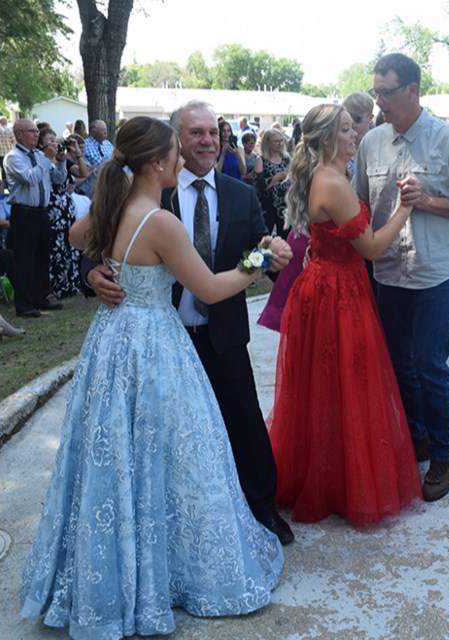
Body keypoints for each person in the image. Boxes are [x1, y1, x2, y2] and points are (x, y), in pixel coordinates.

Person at [21, 116, 284, 639]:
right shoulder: (160, 221)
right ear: (158, 163)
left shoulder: (114, 203)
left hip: (111, 341)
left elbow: (79, 235)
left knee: (119, 454)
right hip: (153, 343)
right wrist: (260, 261)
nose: (182, 161)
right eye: (175, 153)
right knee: (171, 451)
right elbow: (209, 288)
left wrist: (103, 264)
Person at [84, 100, 296, 546]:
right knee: (167, 439)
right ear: (172, 143)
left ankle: (262, 508)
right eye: (195, 133)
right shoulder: (149, 198)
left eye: (212, 133)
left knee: (243, 422)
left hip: (222, 335)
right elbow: (95, 239)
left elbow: (259, 246)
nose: (206, 141)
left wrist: (269, 251)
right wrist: (93, 273)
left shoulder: (240, 194)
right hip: (166, 339)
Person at [268, 105, 422, 528]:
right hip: (336, 292)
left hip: (329, 286)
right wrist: (406, 209)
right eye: (346, 129)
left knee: (330, 386)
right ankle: (337, 484)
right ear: (325, 138)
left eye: (355, 127)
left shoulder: (330, 176)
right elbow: (371, 248)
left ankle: (332, 476)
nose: (356, 134)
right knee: (346, 383)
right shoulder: (333, 182)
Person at [353, 53, 449, 502]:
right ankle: (418, 436)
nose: (379, 101)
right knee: (397, 364)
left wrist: (429, 202)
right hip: (388, 274)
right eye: (375, 92)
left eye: (385, 92)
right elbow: (357, 209)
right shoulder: (370, 143)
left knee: (430, 365)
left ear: (411, 90)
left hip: (435, 275)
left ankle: (444, 454)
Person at [4, 119, 68, 317]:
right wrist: (47, 159)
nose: (36, 135)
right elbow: (30, 178)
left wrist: (62, 161)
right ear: (19, 134)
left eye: (36, 131)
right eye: (31, 131)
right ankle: (24, 305)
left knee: (42, 256)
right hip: (24, 213)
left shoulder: (40, 155)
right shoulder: (13, 157)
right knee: (25, 259)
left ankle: (41, 297)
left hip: (42, 212)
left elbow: (57, 179)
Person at [44, 130, 82, 298]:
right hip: (52, 209)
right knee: (56, 248)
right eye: (50, 139)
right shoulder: (40, 159)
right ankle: (56, 286)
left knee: (68, 245)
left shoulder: (60, 161)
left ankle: (70, 284)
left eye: (55, 139)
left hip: (65, 207)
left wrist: (64, 158)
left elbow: (61, 178)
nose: (55, 142)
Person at [254, 127, 291, 235]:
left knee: (285, 238)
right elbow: (259, 187)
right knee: (265, 238)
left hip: (285, 206)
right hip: (267, 206)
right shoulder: (260, 160)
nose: (280, 144)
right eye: (276, 141)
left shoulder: (287, 158)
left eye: (281, 140)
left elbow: (295, 179)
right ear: (268, 143)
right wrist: (276, 178)